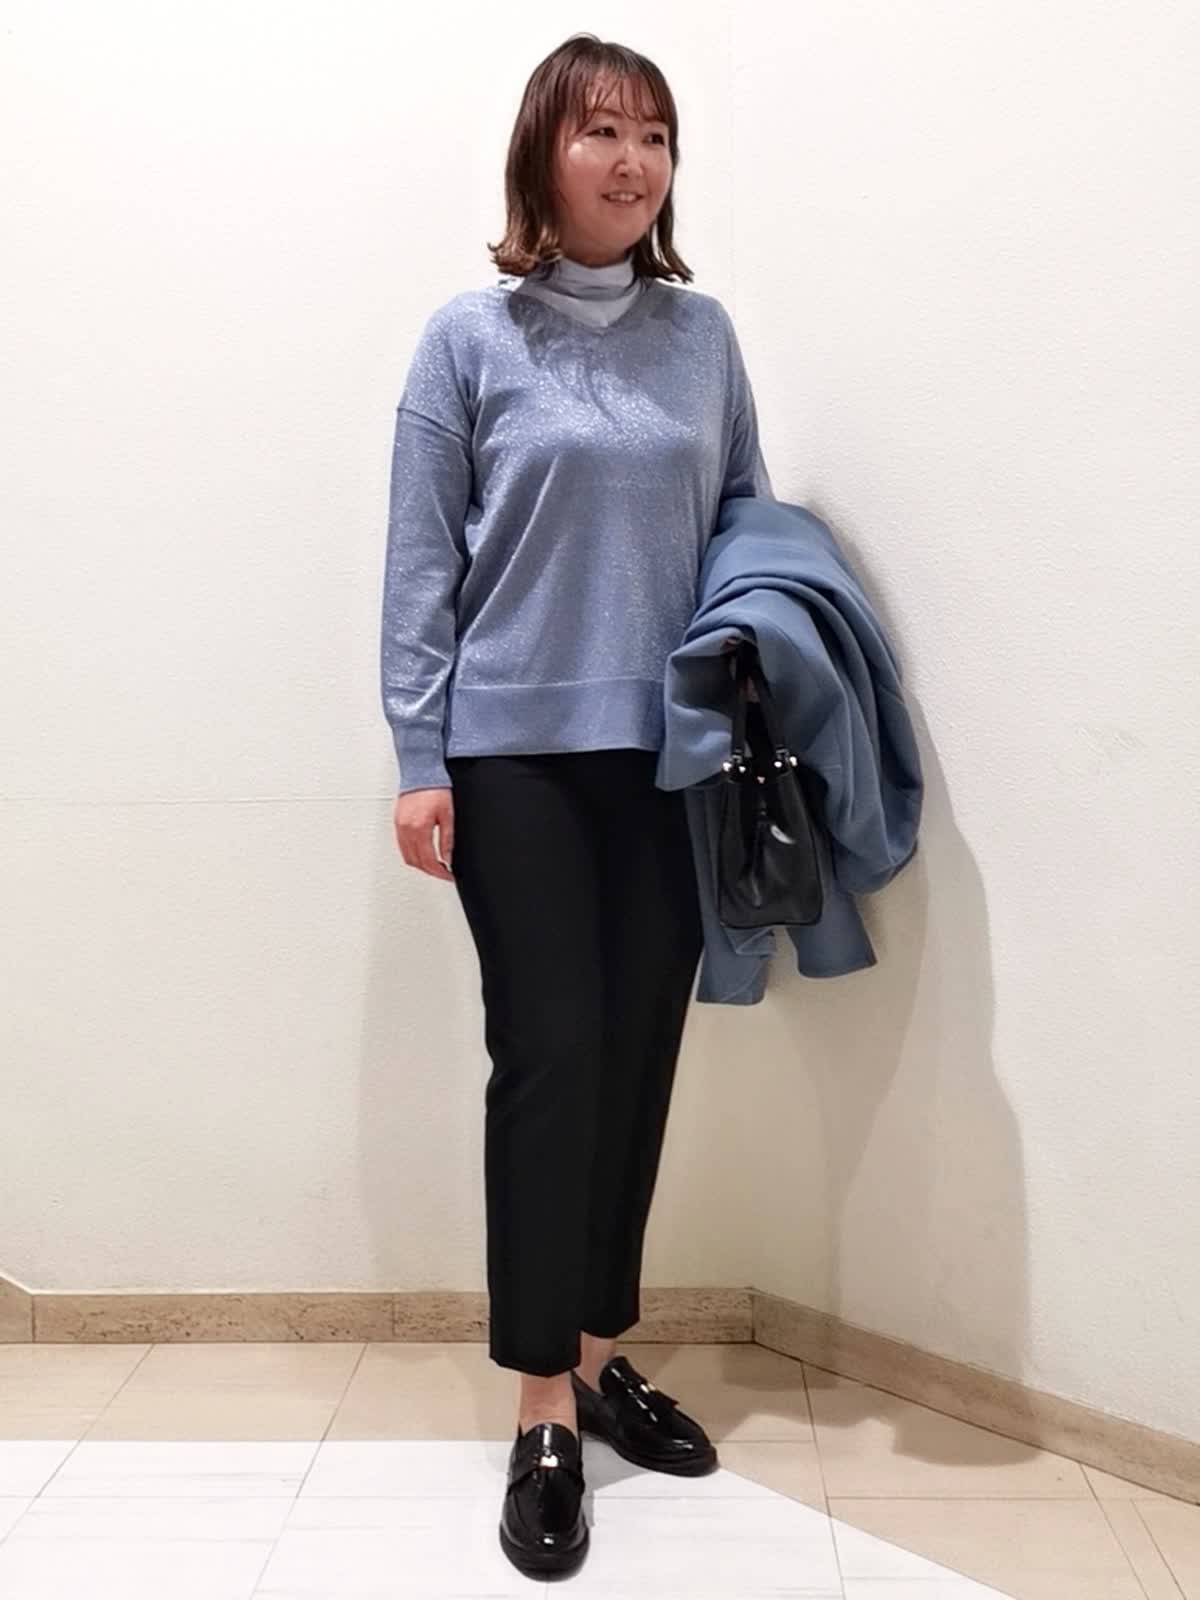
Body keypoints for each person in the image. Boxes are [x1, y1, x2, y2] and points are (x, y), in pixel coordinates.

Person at [379, 33, 772, 1579]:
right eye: (601, 130)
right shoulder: (467, 340)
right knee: (550, 1061)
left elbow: (743, 523)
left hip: (668, 756)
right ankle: (543, 1404)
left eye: (655, 135)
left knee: (638, 1059)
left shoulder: (705, 338)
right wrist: (421, 754)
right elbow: (422, 563)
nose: (631, 160)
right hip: (514, 757)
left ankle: (603, 1356)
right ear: (542, 151)